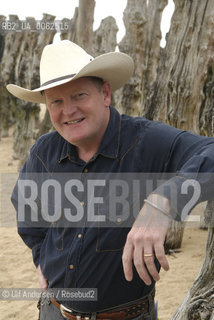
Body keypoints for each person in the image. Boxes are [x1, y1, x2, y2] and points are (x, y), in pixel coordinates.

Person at [7, 40, 214, 320]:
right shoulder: (44, 152)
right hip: (53, 312)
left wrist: (163, 201)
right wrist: (41, 258)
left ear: (105, 93)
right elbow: (28, 213)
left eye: (79, 95)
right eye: (56, 101)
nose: (68, 111)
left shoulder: (147, 141)